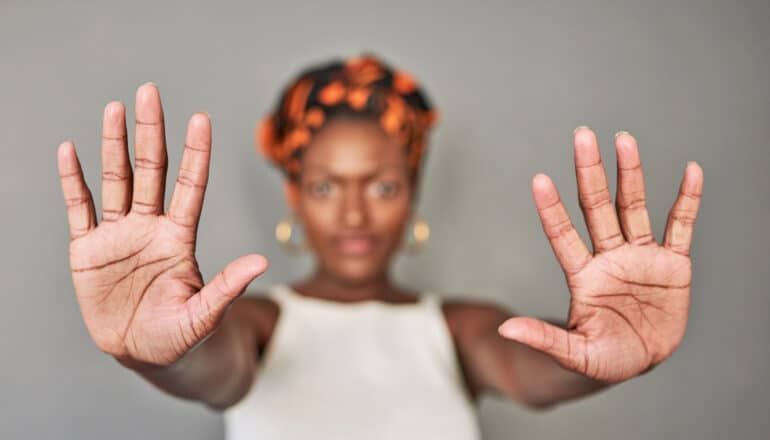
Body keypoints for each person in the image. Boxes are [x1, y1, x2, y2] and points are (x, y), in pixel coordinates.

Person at [57, 54, 704, 439]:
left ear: (414, 193)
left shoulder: (458, 327)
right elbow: (204, 366)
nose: (355, 211)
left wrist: (599, 358)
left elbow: (534, 372)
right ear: (293, 196)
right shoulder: (256, 324)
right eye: (325, 185)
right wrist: (151, 356)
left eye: (384, 184)